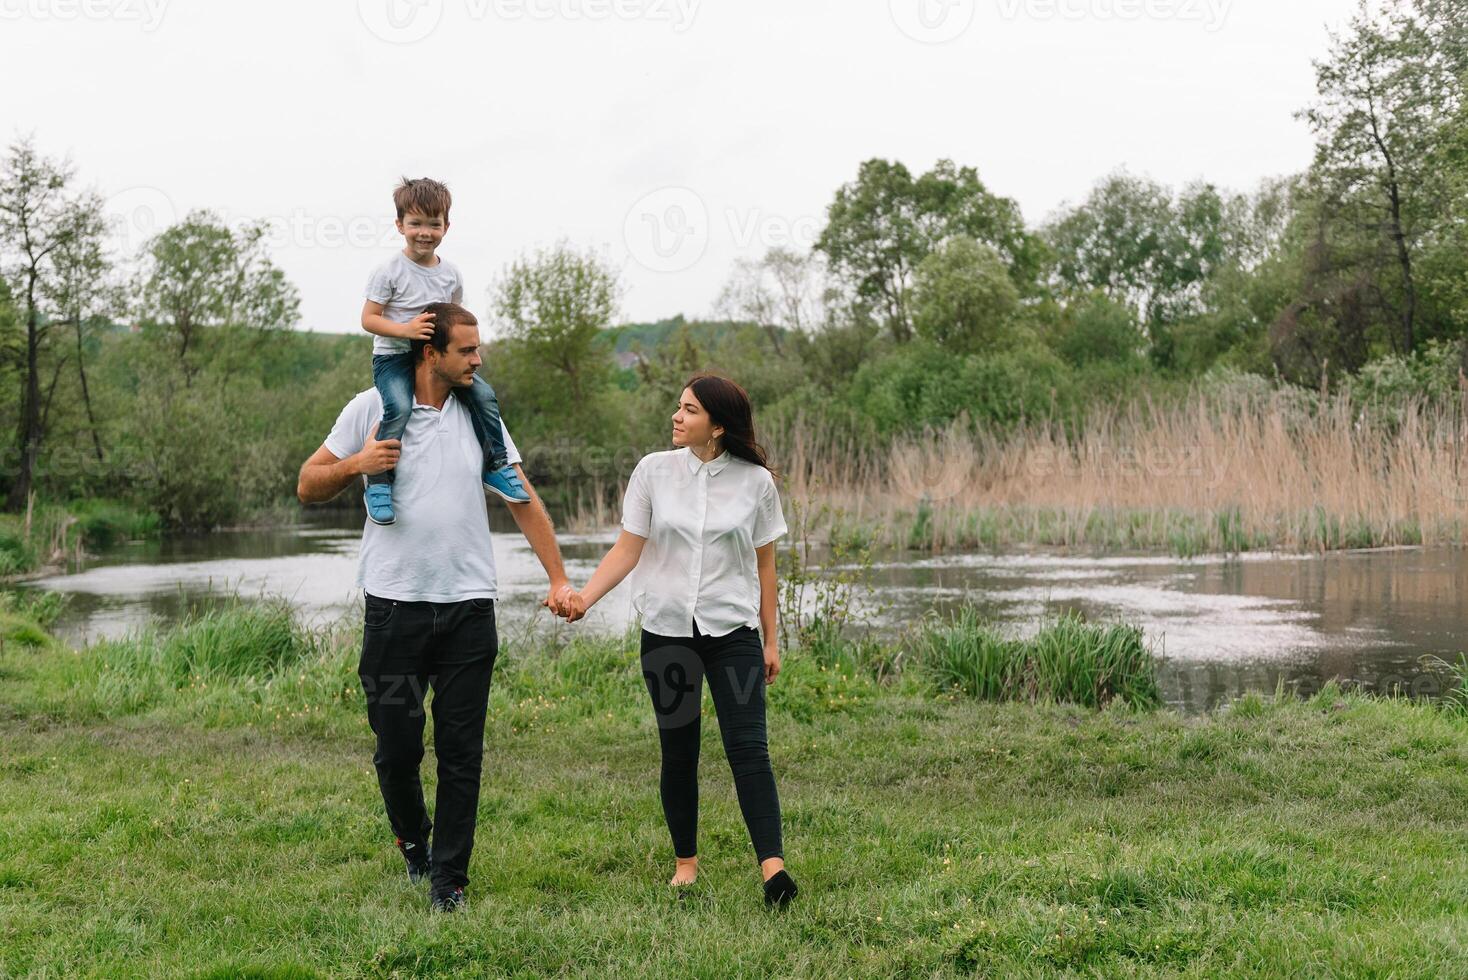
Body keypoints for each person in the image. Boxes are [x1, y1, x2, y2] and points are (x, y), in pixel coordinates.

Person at [296, 302, 574, 913]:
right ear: (431, 353)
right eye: (467, 351)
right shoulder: (370, 408)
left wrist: (558, 576)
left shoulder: (481, 414)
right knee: (396, 747)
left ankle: (449, 880)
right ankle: (412, 840)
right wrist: (358, 464)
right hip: (394, 612)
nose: (479, 360)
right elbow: (308, 484)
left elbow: (522, 498)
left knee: (461, 753)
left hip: (470, 611)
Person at [553, 374, 799, 907]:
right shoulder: (652, 472)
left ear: (717, 425)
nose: (677, 416)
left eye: (689, 410)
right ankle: (685, 862)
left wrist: (771, 641)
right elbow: (627, 549)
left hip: (734, 633)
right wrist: (584, 599)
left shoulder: (756, 483)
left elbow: (765, 567)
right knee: (678, 750)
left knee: (749, 750)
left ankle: (774, 872)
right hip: (666, 633)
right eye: (678, 407)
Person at [359, 176, 530, 525]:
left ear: (446, 227)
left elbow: (454, 319)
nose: (425, 232)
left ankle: (495, 465)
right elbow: (369, 319)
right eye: (415, 223)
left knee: (483, 397)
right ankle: (378, 482)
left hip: (437, 361)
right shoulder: (388, 271)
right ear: (399, 225)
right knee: (399, 406)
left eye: (433, 224)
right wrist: (405, 330)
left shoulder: (450, 274)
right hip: (394, 358)